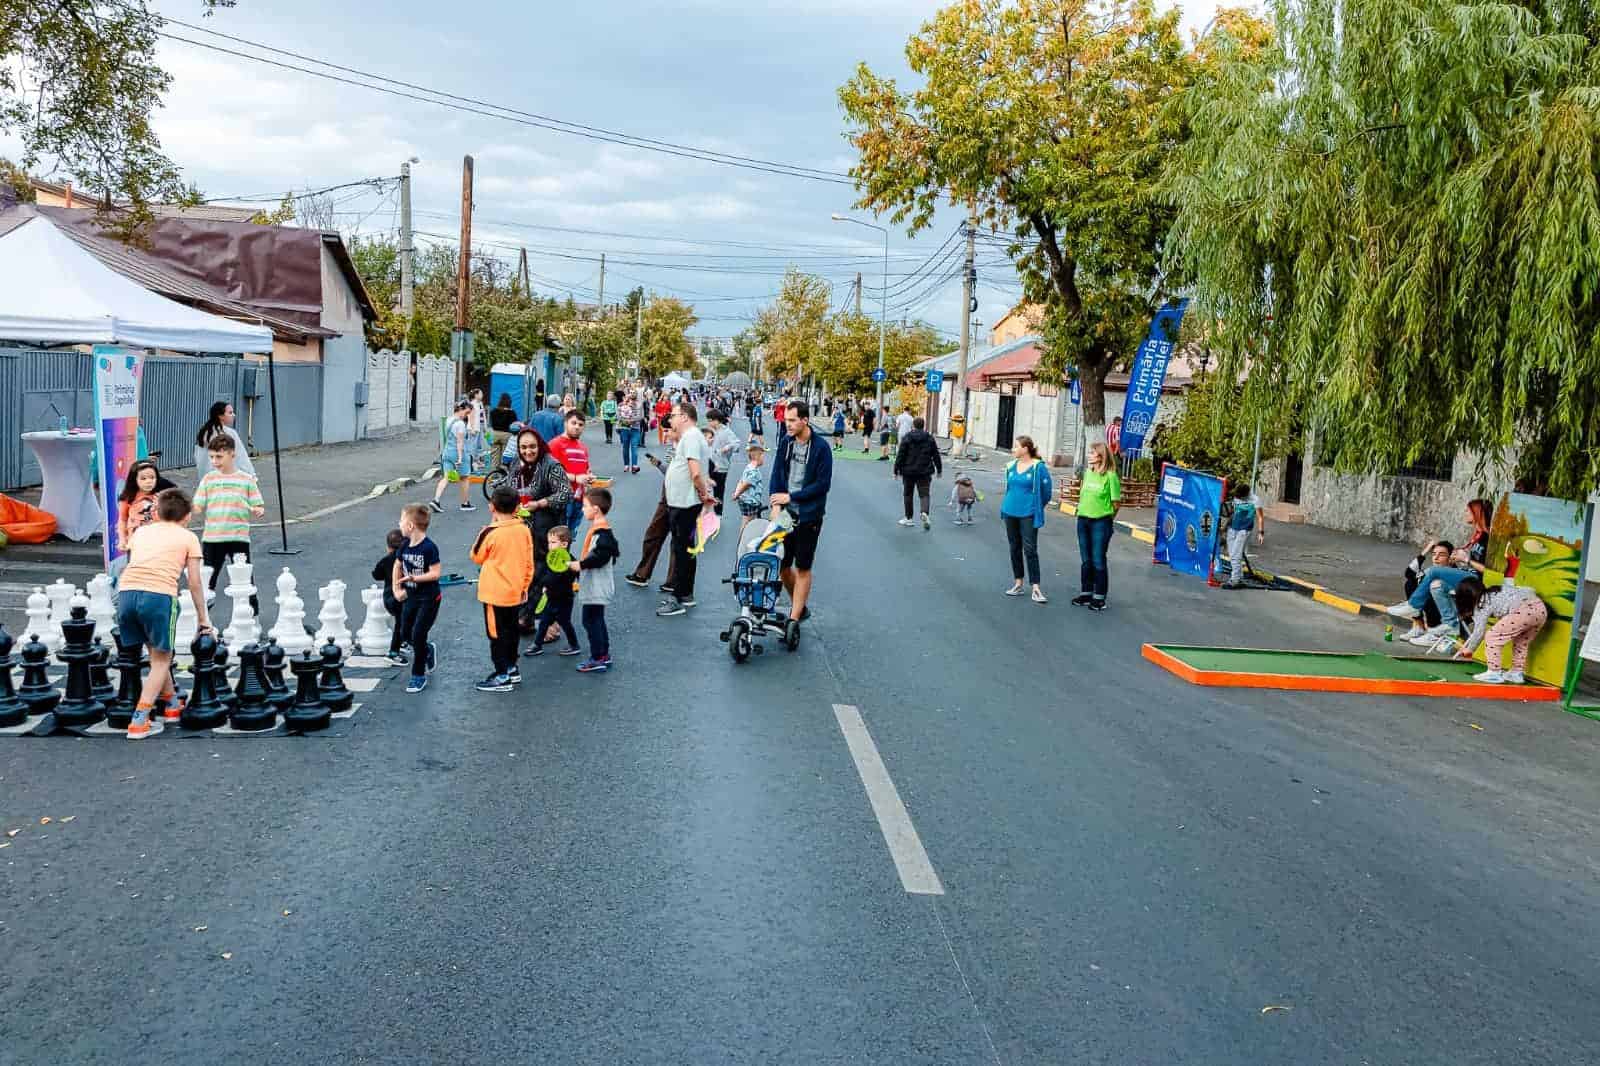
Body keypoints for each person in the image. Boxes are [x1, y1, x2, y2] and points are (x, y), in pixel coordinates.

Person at [117, 488, 213, 738]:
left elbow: (132, 560)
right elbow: (194, 582)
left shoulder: (141, 532)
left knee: (156, 653)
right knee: (162, 660)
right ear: (188, 516)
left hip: (126, 594)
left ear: (157, 513)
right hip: (159, 597)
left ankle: (170, 704)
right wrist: (203, 619)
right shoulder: (188, 537)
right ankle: (139, 719)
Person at [1387, 497, 1495, 640]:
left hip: (1476, 582)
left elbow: (1491, 572)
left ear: (1477, 514)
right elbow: (1409, 573)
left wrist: (1467, 560)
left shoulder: (1490, 538)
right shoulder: (1477, 536)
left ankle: (1413, 606)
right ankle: (1444, 627)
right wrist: (1459, 557)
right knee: (1433, 583)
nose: (1465, 513)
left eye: (1468, 511)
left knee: (1434, 571)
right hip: (1467, 575)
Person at [767, 400, 833, 625]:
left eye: (792, 420)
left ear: (805, 420)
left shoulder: (821, 448)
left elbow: (822, 485)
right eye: (786, 420)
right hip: (785, 515)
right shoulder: (786, 442)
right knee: (783, 565)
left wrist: (792, 497)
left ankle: (793, 620)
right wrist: (776, 503)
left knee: (803, 567)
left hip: (809, 516)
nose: (788, 424)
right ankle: (800, 605)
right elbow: (777, 474)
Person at [469, 486, 534, 693]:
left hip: (494, 593)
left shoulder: (490, 532)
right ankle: (512, 667)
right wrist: (524, 586)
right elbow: (529, 562)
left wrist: (484, 530)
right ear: (517, 507)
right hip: (515, 590)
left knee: (496, 634)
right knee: (511, 630)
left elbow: (476, 556)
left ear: (492, 507)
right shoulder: (523, 529)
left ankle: (501, 675)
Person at [191, 433, 266, 612]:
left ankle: (253, 616)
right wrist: (189, 508)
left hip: (238, 537)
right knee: (207, 581)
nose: (214, 461)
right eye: (211, 457)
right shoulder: (208, 479)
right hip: (212, 538)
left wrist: (258, 509)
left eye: (219, 456)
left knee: (245, 580)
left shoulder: (246, 479)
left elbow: (258, 504)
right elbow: (198, 505)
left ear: (232, 454)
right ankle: (202, 618)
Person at [506, 428, 572, 627]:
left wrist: (540, 503)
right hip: (522, 529)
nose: (528, 451)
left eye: (532, 446)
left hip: (546, 530)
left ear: (540, 446)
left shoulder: (551, 465)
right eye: (523, 447)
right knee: (524, 572)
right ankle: (526, 616)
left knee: (543, 574)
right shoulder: (516, 464)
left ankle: (545, 622)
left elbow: (565, 493)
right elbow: (509, 490)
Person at [657, 402, 716, 618]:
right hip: (683, 501)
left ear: (684, 417)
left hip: (684, 503)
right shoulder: (692, 437)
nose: (670, 419)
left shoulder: (691, 437)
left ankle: (677, 597)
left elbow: (695, 472)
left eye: (673, 415)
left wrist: (703, 494)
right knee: (686, 548)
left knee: (681, 549)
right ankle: (686, 593)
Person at [1452, 576, 1548, 684]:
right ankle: (1516, 673)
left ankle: (1494, 672)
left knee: (1492, 636)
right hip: (1540, 609)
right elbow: (1530, 590)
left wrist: (1470, 649)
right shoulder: (1496, 590)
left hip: (1523, 611)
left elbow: (1479, 632)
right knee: (1521, 642)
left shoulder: (1481, 603)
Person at [392, 502, 443, 694]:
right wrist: (397, 589)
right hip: (411, 596)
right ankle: (427, 649)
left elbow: (436, 573)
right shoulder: (404, 545)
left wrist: (415, 578)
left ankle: (418, 675)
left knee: (418, 634)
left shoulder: (429, 547)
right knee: (405, 633)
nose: (399, 523)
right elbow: (397, 565)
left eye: (401, 520)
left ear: (410, 526)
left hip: (429, 598)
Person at [624, 426, 679, 592]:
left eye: (668, 430)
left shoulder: (686, 447)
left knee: (678, 541)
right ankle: (643, 574)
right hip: (667, 495)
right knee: (653, 535)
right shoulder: (673, 448)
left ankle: (674, 581)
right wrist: (659, 465)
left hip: (680, 498)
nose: (665, 434)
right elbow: (670, 473)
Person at [1000, 435, 1054, 604]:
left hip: (1028, 513)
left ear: (1025, 449)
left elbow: (1046, 492)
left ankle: (1036, 587)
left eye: (1016, 446)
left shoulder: (1038, 467)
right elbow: (1009, 487)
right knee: (1014, 547)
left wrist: (1036, 506)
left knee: (1030, 549)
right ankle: (1018, 583)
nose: (1013, 449)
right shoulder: (1010, 466)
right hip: (1010, 511)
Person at [576, 486, 620, 674]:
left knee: (590, 620)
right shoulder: (601, 530)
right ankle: (603, 654)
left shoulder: (602, 533)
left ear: (595, 509)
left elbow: (600, 556)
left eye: (585, 506)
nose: (582, 509)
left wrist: (580, 565)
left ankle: (598, 656)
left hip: (597, 586)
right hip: (596, 585)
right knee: (596, 619)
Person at [1072, 442, 1119, 610]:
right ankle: (1086, 593)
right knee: (1086, 560)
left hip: (1101, 521)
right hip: (1083, 519)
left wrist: (1107, 518)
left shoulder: (1110, 476)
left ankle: (1099, 597)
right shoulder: (1088, 473)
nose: (1089, 455)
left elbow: (1116, 503)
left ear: (1101, 456)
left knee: (1098, 559)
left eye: (1092, 453)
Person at [527, 525, 582, 656]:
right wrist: (546, 587)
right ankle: (537, 645)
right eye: (549, 542)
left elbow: (556, 577)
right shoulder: (551, 557)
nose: (549, 545)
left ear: (564, 544)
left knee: (565, 623)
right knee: (544, 621)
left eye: (553, 542)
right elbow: (548, 573)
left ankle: (574, 645)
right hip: (551, 597)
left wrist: (544, 583)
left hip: (564, 599)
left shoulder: (569, 561)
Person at [547, 410, 592, 535]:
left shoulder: (582, 447)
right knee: (559, 537)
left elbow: (586, 469)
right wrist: (575, 478)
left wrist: (589, 476)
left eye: (580, 424)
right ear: (565, 423)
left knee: (570, 537)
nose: (577, 427)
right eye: (574, 423)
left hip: (579, 499)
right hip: (562, 500)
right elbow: (549, 472)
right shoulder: (554, 444)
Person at [893, 416, 942, 531]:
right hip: (924, 471)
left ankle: (908, 518)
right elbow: (936, 454)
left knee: (908, 494)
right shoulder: (929, 438)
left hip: (908, 471)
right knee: (924, 494)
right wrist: (939, 470)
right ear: (923, 425)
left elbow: (901, 455)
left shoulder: (907, 437)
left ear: (913, 425)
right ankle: (924, 512)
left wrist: (896, 470)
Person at [117, 459, 176, 547]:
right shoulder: (128, 497)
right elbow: (122, 519)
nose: (148, 481)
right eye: (143, 478)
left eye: (152, 477)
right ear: (134, 479)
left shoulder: (163, 496)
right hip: (135, 542)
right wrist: (122, 539)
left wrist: (161, 505)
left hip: (159, 541)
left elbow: (171, 518)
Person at [432, 400, 477, 513]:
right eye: (466, 412)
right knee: (464, 478)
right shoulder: (460, 424)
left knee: (446, 477)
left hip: (447, 452)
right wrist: (460, 457)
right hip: (458, 454)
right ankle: (465, 503)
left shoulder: (449, 420)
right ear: (461, 409)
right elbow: (460, 442)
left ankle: (436, 500)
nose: (466, 415)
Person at [192, 401, 255, 480]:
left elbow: (199, 457)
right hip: (226, 479)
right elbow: (241, 457)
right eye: (230, 413)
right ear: (221, 416)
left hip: (208, 479)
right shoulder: (229, 433)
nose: (234, 415)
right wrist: (251, 475)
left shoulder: (204, 432)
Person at [374, 528, 409, 665]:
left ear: (388, 547)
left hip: (389, 598)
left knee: (403, 622)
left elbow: (376, 575)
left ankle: (402, 642)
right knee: (402, 623)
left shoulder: (386, 560)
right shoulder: (407, 558)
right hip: (402, 598)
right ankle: (393, 653)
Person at [1222, 482, 1266, 588]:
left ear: (1245, 495)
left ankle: (1235, 580)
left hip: (1244, 530)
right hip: (1233, 528)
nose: (1238, 498)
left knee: (1236, 555)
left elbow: (1260, 517)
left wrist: (1261, 533)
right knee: (1232, 555)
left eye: (1240, 497)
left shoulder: (1255, 500)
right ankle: (1239, 576)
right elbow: (1233, 514)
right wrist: (1225, 527)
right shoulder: (1236, 497)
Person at [732, 442, 768, 544]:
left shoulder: (748, 467)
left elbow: (741, 481)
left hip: (745, 499)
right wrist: (737, 494)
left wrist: (736, 492)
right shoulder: (754, 472)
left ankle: (746, 539)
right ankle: (743, 541)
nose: (764, 459)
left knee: (749, 520)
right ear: (758, 457)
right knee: (748, 522)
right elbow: (746, 484)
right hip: (749, 501)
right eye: (763, 457)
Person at [707, 409, 740, 515]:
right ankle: (708, 514)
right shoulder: (710, 431)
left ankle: (718, 514)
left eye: (710, 420)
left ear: (716, 420)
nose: (709, 423)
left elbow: (737, 444)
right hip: (709, 465)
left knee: (718, 492)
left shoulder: (726, 431)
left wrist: (728, 447)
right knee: (706, 491)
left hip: (721, 466)